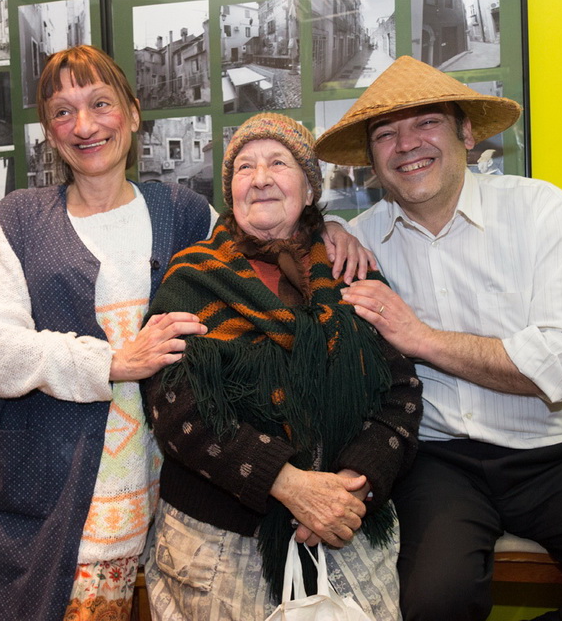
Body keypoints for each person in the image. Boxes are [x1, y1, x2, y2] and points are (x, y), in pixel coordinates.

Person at [0, 47, 370, 621]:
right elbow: (1, 355)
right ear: (49, 133)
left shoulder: (183, 212)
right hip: (50, 489)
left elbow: (267, 224)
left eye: (100, 104)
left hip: (167, 490)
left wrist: (333, 229)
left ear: (131, 113)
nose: (84, 126)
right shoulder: (20, 220)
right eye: (62, 112)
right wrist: (113, 362)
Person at [315, 55, 562, 621]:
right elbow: (267, 236)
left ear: (466, 132)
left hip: (557, 453)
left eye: (426, 122)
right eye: (386, 134)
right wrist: (323, 230)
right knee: (433, 603)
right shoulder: (360, 241)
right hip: (437, 460)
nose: (407, 144)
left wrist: (422, 338)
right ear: (371, 162)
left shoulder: (539, 210)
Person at [142, 113, 423, 620]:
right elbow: (175, 411)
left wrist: (350, 487)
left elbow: (401, 394)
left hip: (347, 532)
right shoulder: (192, 279)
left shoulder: (350, 271)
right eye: (244, 168)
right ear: (231, 193)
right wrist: (289, 484)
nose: (261, 177)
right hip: (220, 549)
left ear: (309, 188)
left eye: (279, 162)